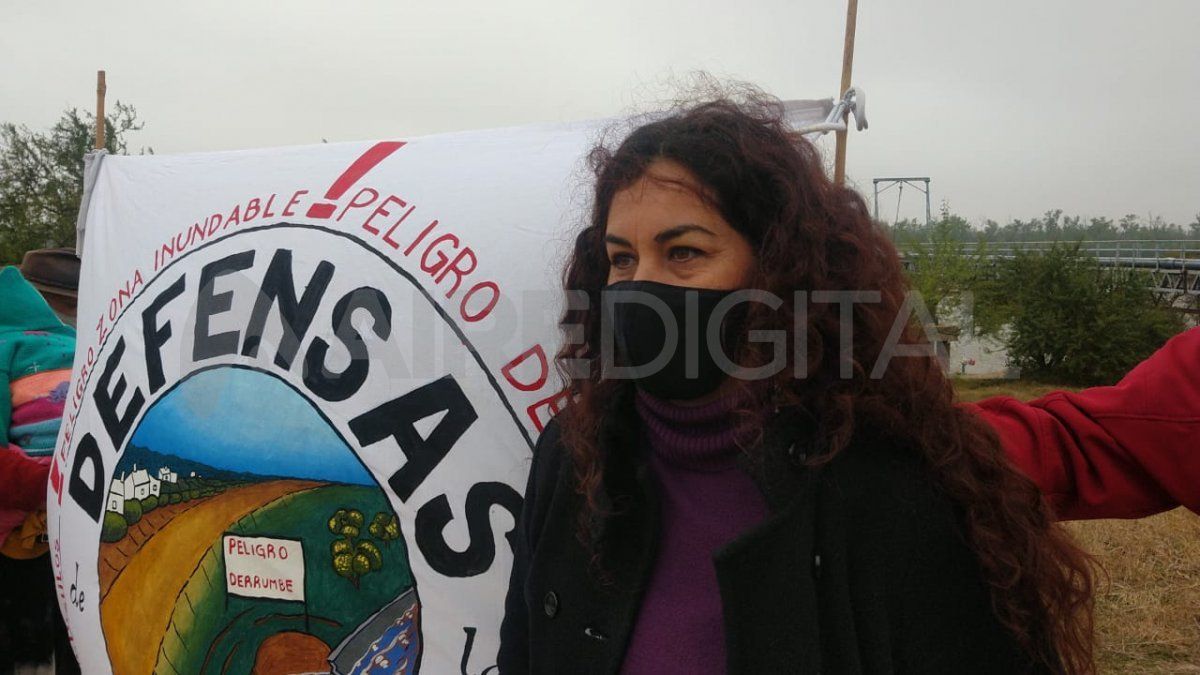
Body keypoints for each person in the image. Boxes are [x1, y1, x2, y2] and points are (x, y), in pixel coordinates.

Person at [498, 94, 1097, 674]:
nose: (640, 286)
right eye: (622, 259)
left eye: (683, 252)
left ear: (777, 270)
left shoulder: (889, 492)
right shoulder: (574, 455)